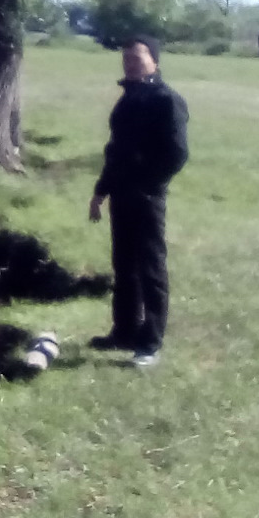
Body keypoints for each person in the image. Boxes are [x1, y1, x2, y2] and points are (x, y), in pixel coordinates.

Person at [87, 35, 188, 367]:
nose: (130, 63)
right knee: (124, 266)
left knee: (150, 268)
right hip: (121, 194)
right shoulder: (127, 99)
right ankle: (124, 331)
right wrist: (101, 190)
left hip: (146, 196)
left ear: (154, 62)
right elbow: (115, 151)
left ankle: (150, 344)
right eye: (126, 58)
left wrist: (148, 184)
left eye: (138, 58)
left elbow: (176, 154)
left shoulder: (166, 100)